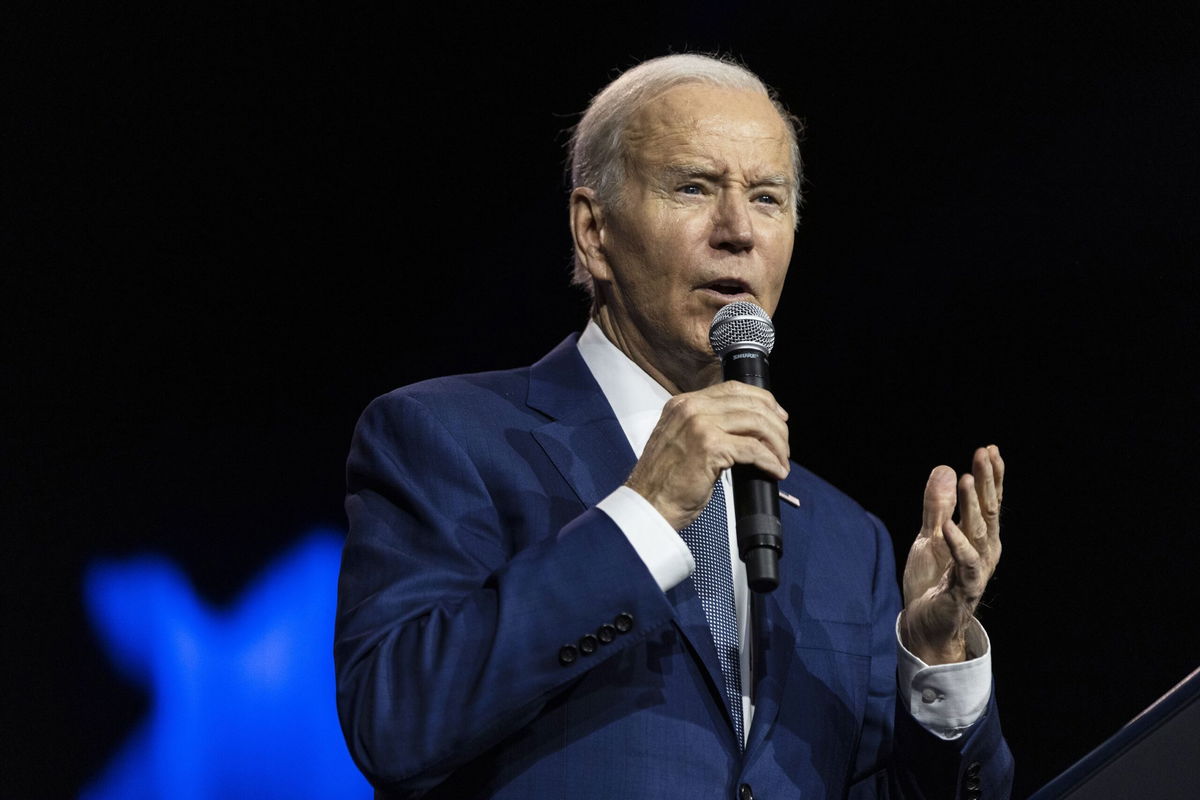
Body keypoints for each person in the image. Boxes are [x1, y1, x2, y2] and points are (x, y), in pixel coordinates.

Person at [335, 54, 1014, 799]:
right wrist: (643, 515)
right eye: (694, 187)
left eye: (766, 198)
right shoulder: (446, 435)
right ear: (594, 231)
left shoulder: (848, 540)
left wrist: (935, 656)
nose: (737, 232)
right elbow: (394, 722)